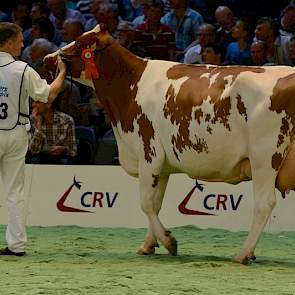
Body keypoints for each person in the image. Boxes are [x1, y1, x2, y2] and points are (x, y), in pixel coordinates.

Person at [0, 22, 66, 256]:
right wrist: (62, 73)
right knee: (14, 191)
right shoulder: (22, 69)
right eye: (19, 39)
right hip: (15, 133)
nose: (22, 43)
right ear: (8, 42)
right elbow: (47, 94)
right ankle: (16, 245)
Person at [28, 98, 77, 165]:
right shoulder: (32, 119)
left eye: (37, 102)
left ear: (49, 104)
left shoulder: (67, 120)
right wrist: (38, 126)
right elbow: (33, 150)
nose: (33, 105)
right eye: (33, 102)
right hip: (40, 157)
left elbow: (73, 151)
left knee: (65, 161)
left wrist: (64, 149)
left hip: (60, 157)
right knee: (34, 160)